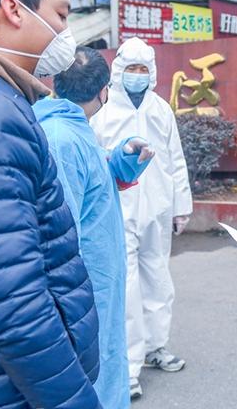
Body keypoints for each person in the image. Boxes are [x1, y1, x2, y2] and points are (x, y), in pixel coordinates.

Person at [0, 0, 101, 409]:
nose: (66, 31)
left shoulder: (2, 101)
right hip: (10, 388)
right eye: (62, 14)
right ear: (13, 8)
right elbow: (10, 300)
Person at [33, 46, 155, 408]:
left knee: (107, 360)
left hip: (99, 281)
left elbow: (93, 178)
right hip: (86, 285)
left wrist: (121, 159)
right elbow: (61, 223)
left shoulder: (71, 127)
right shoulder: (61, 136)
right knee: (96, 370)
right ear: (104, 90)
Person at [91, 37, 193, 399]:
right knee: (128, 287)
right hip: (119, 208)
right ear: (118, 70)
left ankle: (155, 347)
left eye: (143, 69)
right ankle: (129, 367)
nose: (137, 75)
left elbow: (175, 159)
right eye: (131, 68)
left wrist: (181, 205)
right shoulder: (103, 110)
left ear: (151, 73)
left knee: (159, 279)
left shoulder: (160, 108)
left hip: (157, 209)